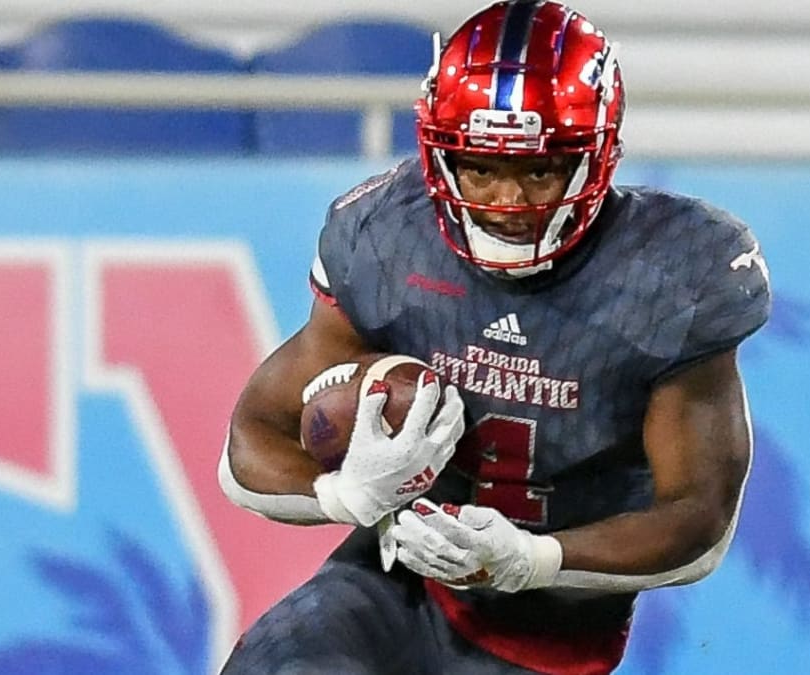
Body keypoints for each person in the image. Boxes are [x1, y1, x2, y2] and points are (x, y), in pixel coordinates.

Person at [218, 1, 771, 673]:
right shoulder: (389, 237)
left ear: (598, 156)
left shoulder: (672, 272)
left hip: (551, 634)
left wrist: (530, 558)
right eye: (481, 167)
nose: (507, 201)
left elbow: (698, 519)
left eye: (538, 171)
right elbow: (250, 440)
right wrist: (345, 495)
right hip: (393, 578)